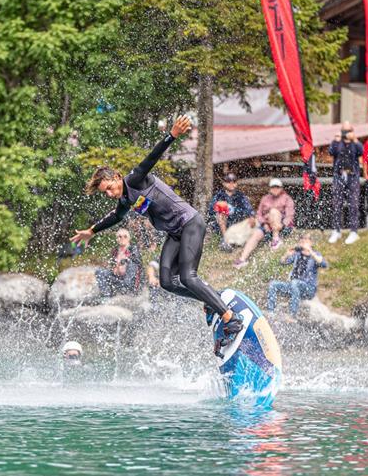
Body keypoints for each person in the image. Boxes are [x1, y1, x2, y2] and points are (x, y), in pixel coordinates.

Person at [72, 115, 244, 340]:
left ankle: (231, 317)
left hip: (190, 223)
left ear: (117, 177)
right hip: (175, 233)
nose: (110, 193)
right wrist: (92, 231)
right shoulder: (125, 200)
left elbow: (150, 159)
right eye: (105, 192)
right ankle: (211, 299)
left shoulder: (134, 180)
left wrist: (171, 135)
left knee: (188, 277)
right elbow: (115, 217)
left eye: (110, 187)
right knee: (166, 282)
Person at [233, 178, 295, 269]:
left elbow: (290, 215)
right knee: (255, 234)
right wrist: (264, 224)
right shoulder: (265, 199)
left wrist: (282, 225)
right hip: (267, 225)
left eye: (277, 187)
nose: (275, 189)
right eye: (273, 187)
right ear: (270, 188)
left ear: (281, 188)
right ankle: (242, 259)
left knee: (273, 211)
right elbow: (259, 214)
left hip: (281, 226)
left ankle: (276, 239)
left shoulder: (287, 198)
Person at [266, 234, 327, 319]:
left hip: (308, 289)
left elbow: (324, 264)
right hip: (293, 286)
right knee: (273, 284)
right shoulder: (297, 254)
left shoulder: (315, 254)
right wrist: (286, 254)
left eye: (306, 239)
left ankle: (292, 315)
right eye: (301, 239)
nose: (303, 240)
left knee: (295, 282)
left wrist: (310, 251)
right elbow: (282, 262)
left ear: (311, 242)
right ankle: (270, 313)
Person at [328, 121, 363, 244]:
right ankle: (336, 230)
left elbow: (361, 151)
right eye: (344, 130)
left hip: (352, 176)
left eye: (348, 130)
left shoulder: (355, 143)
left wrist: (355, 140)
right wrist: (336, 140)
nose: (346, 133)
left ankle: (353, 231)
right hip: (339, 175)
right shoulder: (338, 143)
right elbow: (331, 152)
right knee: (337, 204)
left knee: (353, 204)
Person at [207, 172, 254, 252]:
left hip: (237, 223)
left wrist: (234, 211)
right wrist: (224, 209)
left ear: (236, 183)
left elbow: (249, 211)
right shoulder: (219, 196)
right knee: (221, 211)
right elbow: (211, 211)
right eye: (228, 181)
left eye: (234, 181)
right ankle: (226, 240)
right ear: (223, 183)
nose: (231, 184)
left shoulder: (241, 196)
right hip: (221, 226)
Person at [95, 228, 142, 297]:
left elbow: (137, 261)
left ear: (129, 238)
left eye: (125, 236)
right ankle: (106, 296)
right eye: (119, 236)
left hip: (129, 282)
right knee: (99, 271)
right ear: (117, 239)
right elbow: (111, 265)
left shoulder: (133, 249)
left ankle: (128, 293)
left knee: (131, 264)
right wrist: (113, 267)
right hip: (118, 279)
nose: (122, 238)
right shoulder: (115, 251)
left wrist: (123, 261)